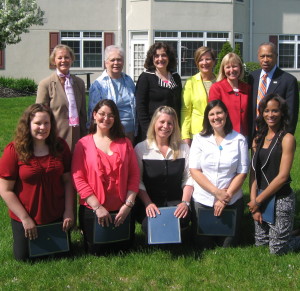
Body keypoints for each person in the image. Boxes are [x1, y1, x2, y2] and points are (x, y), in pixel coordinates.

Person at [0, 104, 74, 261]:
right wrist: (25, 219)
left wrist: (69, 211)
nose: (43, 127)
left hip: (56, 216)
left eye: (47, 123)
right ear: (28, 125)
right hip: (26, 216)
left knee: (63, 255)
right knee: (24, 258)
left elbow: (68, 181)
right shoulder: (14, 150)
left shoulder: (60, 146)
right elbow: (5, 190)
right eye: (38, 123)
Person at [72, 99, 140, 255]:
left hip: (122, 209)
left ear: (115, 119)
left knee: (125, 249)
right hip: (94, 208)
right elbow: (78, 179)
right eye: (102, 114)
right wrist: (97, 207)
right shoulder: (83, 144)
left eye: (111, 115)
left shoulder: (125, 143)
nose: (106, 118)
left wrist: (128, 206)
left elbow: (134, 175)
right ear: (94, 115)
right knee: (97, 251)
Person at [189, 100, 249, 248]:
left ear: (226, 114)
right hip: (203, 199)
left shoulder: (239, 139)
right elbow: (194, 170)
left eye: (219, 113)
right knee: (204, 244)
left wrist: (224, 198)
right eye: (212, 114)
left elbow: (242, 172)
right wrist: (216, 193)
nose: (216, 117)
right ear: (207, 118)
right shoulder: (199, 139)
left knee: (227, 246)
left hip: (231, 199)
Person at [248, 93, 300, 255]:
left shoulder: (287, 138)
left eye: (275, 111)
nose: (271, 115)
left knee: (277, 250)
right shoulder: (257, 139)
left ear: (282, 113)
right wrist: (253, 204)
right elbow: (254, 173)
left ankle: (293, 237)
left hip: (280, 198)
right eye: (267, 111)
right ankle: (287, 233)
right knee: (261, 245)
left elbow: (283, 176)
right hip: (260, 198)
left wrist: (258, 200)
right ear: (262, 113)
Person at [134, 106, 193, 239]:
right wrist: (148, 203)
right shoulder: (141, 148)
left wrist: (185, 203)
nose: (165, 126)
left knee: (181, 220)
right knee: (148, 226)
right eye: (162, 122)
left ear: (174, 126)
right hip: (150, 204)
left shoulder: (183, 148)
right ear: (154, 123)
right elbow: (138, 181)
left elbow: (188, 177)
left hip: (176, 202)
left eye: (170, 123)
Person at [36, 44, 87, 152]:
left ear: (72, 59)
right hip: (55, 137)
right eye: (60, 58)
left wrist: (84, 136)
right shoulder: (45, 84)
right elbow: (39, 115)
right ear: (54, 61)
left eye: (67, 57)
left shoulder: (79, 83)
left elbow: (82, 113)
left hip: (77, 137)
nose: (63, 60)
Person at [248, 42, 299, 142]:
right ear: (258, 57)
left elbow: (291, 114)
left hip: (276, 136)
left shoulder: (288, 80)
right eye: (262, 56)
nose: (265, 60)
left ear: (276, 56)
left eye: (269, 56)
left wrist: (284, 139)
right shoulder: (252, 77)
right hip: (255, 135)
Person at [88, 45, 136, 143]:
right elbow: (93, 113)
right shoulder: (99, 85)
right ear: (106, 63)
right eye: (112, 60)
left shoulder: (128, 80)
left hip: (131, 132)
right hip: (110, 133)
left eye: (119, 60)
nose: (116, 63)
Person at [136, 42, 182, 142]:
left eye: (164, 55)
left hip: (171, 130)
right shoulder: (145, 77)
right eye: (156, 56)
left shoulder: (175, 77)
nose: (160, 59)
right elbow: (140, 107)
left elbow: (178, 105)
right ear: (152, 59)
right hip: (152, 132)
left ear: (169, 57)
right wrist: (149, 131)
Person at [209, 52, 251, 137]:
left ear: (240, 67)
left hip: (244, 135)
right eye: (228, 67)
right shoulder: (217, 88)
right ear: (223, 69)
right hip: (225, 134)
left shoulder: (247, 88)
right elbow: (214, 113)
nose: (232, 70)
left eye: (235, 66)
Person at [181, 46, 216, 146]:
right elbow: (185, 111)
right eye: (201, 60)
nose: (204, 62)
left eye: (208, 59)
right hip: (197, 133)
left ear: (213, 61)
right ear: (197, 63)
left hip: (218, 132)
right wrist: (185, 136)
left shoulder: (220, 81)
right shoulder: (190, 82)